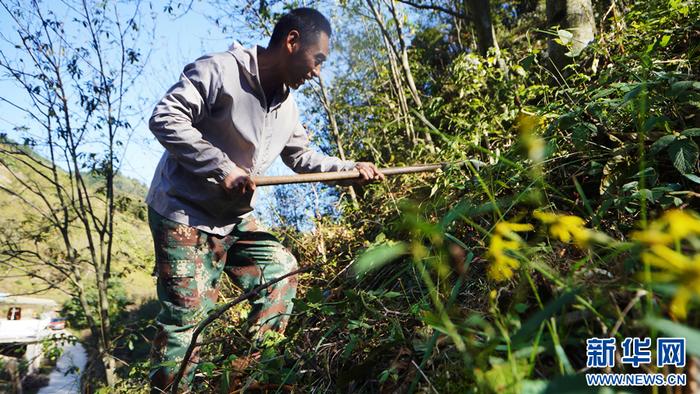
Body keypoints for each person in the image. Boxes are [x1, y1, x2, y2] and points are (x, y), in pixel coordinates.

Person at [145, 7, 384, 392]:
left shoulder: (287, 106)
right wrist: (223, 168)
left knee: (282, 272)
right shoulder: (220, 70)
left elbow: (303, 157)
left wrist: (350, 167)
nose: (318, 71)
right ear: (292, 42)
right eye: (317, 59)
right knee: (185, 324)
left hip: (232, 220)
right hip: (183, 213)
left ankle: (245, 378)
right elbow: (166, 117)